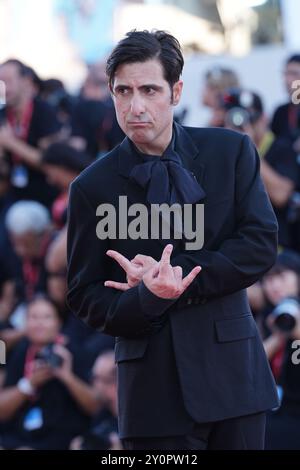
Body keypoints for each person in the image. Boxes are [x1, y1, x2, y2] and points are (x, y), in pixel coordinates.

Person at [67, 30, 279, 450]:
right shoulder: (92, 187)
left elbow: (259, 246)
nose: (136, 106)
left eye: (149, 89)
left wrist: (177, 279)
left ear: (176, 91)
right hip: (152, 393)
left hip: (233, 377)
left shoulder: (230, 152)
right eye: (123, 91)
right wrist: (146, 299)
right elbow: (84, 295)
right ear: (110, 93)